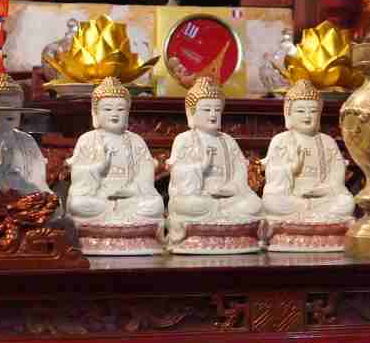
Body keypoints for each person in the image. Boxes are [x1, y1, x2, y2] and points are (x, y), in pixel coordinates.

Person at [165, 76, 262, 249]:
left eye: (217, 110)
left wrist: (232, 188)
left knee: (254, 205)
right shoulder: (185, 140)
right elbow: (178, 172)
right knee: (185, 205)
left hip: (230, 198)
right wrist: (199, 168)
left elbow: (240, 171)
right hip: (199, 197)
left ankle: (223, 225)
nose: (212, 115)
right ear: (192, 113)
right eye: (206, 109)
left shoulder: (228, 141)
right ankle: (223, 226)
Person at [66, 76, 165, 227]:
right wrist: (99, 168)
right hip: (98, 196)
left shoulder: (135, 141)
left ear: (128, 112)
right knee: (78, 204)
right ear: (95, 113)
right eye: (107, 109)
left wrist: (131, 190)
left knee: (154, 205)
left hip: (130, 196)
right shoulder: (87, 140)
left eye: (120, 109)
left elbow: (146, 172)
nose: (114, 114)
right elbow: (78, 173)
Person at [261, 79, 354, 237]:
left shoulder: (327, 142)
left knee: (346, 203)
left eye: (312, 111)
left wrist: (325, 190)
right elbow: (272, 177)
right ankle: (318, 218)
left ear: (319, 114)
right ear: (288, 113)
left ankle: (305, 218)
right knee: (271, 202)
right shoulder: (281, 140)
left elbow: (337, 176)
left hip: (322, 198)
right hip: (292, 198)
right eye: (301, 111)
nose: (307, 116)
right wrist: (291, 168)